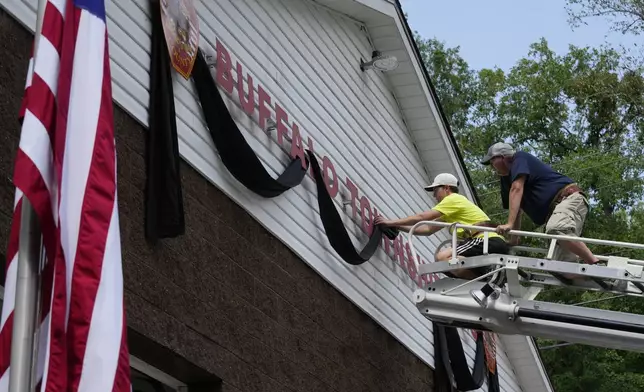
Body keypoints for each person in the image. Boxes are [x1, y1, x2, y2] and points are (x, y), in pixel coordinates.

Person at [481, 142, 600, 264]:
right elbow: (516, 210)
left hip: (568, 199)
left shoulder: (520, 158)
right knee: (559, 266)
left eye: (492, 160)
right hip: (555, 213)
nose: (491, 165)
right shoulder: (506, 180)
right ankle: (595, 280)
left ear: (504, 157)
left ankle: (594, 262)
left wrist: (509, 224)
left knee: (556, 228)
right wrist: (514, 239)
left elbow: (517, 188)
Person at [374, 173, 509, 279]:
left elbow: (422, 218)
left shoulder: (453, 199)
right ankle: (484, 276)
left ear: (446, 188)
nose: (434, 195)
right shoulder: (451, 211)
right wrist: (398, 227)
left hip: (486, 240)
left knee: (442, 258)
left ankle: (483, 277)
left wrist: (391, 222)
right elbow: (426, 229)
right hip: (486, 241)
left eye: (435, 190)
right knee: (446, 264)